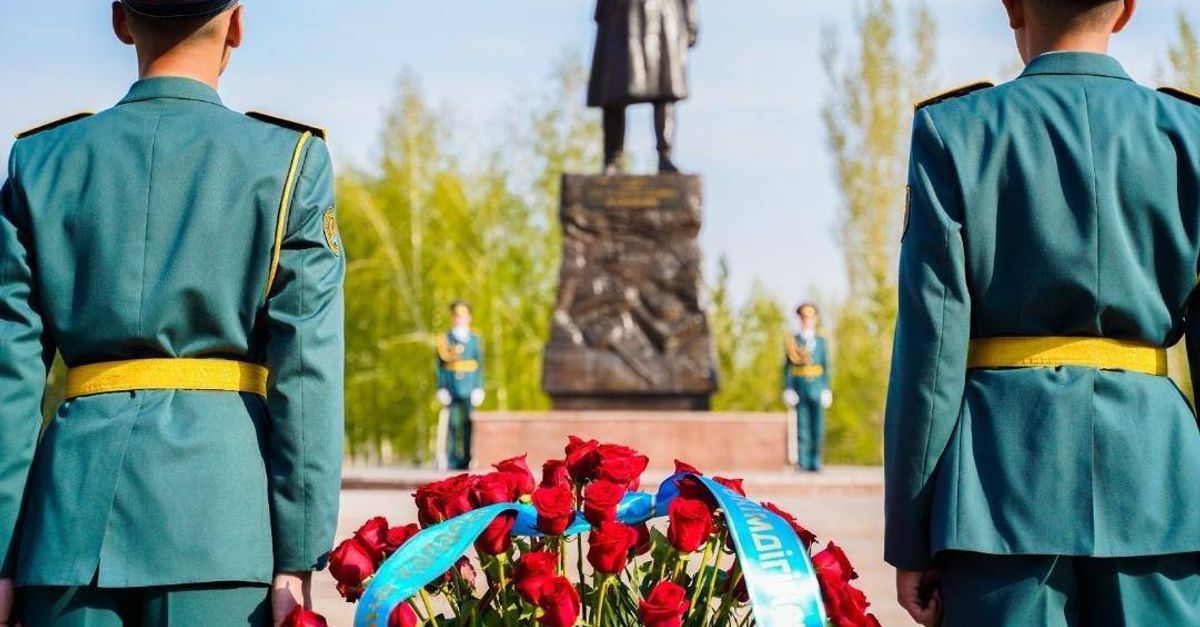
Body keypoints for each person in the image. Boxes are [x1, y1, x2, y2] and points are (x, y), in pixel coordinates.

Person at [0, 2, 346, 626]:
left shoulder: (40, 161)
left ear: (119, 21)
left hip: (66, 532)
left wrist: (0, 553)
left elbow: (9, 377)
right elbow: (307, 374)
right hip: (221, 529)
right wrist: (299, 553)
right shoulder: (288, 161)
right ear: (236, 24)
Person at [884, 0, 1200, 625]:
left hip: (997, 491)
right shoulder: (1189, 135)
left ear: (1011, 8)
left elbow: (931, 348)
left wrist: (912, 535)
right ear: (1126, 11)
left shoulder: (957, 130)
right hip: (1159, 484)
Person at [587, 0, 699, 174]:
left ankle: (665, 155)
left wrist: (691, 23)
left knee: (665, 87)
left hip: (663, 14)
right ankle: (612, 158)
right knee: (612, 90)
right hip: (620, 16)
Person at [782, 304, 833, 472]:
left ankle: (815, 462)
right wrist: (788, 388)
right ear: (800, 319)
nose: (807, 321)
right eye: (804, 318)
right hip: (800, 387)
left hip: (817, 386)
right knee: (802, 427)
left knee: (817, 427)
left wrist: (827, 389)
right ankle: (803, 462)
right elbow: (787, 367)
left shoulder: (821, 341)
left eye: (810, 318)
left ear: (815, 319)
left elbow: (826, 366)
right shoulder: (793, 341)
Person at [436, 301, 485, 470]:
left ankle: (466, 458)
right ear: (452, 318)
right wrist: (441, 387)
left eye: (463, 316)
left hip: (469, 387)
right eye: (457, 316)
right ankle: (451, 458)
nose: (460, 320)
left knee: (467, 424)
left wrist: (479, 387)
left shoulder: (475, 339)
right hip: (451, 387)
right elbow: (440, 366)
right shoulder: (445, 338)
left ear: (469, 318)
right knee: (453, 423)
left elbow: (479, 365)